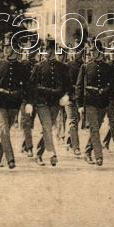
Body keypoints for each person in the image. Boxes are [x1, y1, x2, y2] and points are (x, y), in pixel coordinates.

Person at [0, 37, 31, 169]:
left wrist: (28, 102)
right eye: (4, 47)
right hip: (0, 102)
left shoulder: (21, 67)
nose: (5, 49)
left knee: (5, 132)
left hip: (14, 103)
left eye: (8, 47)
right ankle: (10, 159)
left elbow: (27, 86)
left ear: (15, 49)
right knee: (4, 130)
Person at [29, 38, 69, 166]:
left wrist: (66, 95)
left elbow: (67, 85)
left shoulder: (62, 67)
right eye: (45, 49)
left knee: (48, 130)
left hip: (55, 103)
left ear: (53, 50)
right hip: (42, 103)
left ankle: (38, 154)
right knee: (47, 127)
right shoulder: (38, 67)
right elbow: (33, 85)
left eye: (48, 49)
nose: (46, 51)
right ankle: (52, 154)